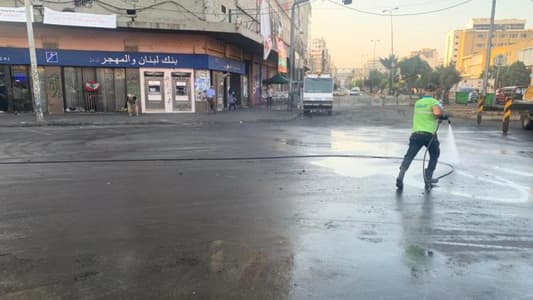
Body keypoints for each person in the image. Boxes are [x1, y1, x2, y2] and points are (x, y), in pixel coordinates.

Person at [396, 84, 448, 192]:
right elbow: (437, 113)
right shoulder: (433, 102)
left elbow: (428, 114)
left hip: (416, 134)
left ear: (424, 91)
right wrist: (442, 115)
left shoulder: (418, 103)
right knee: (434, 154)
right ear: (434, 91)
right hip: (429, 134)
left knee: (409, 155)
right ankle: (428, 178)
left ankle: (401, 175)